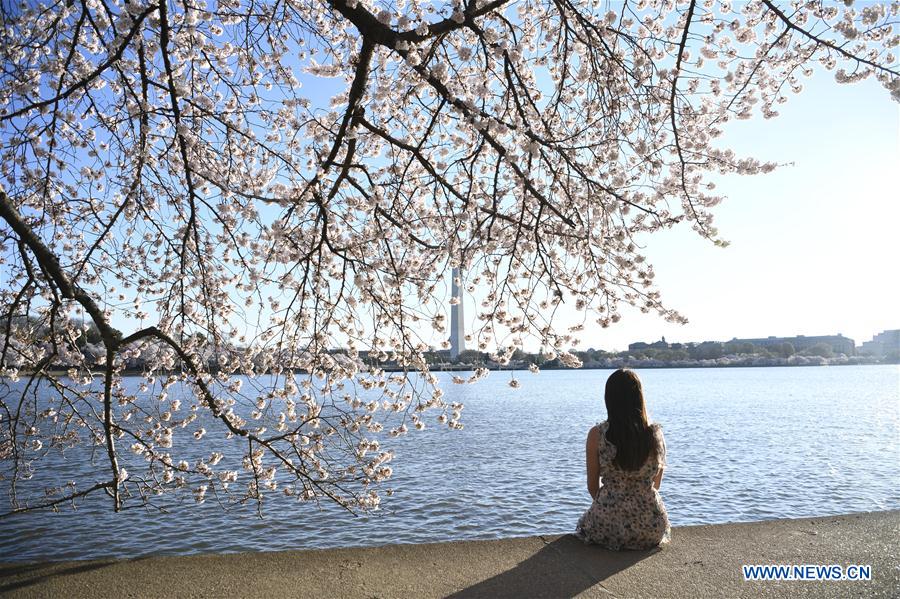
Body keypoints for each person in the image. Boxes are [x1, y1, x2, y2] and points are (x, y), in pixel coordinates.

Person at [575, 368, 670, 550]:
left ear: (609, 398)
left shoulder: (597, 434)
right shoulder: (655, 434)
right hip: (650, 526)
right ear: (639, 397)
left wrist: (614, 505)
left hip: (607, 525)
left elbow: (592, 487)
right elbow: (656, 484)